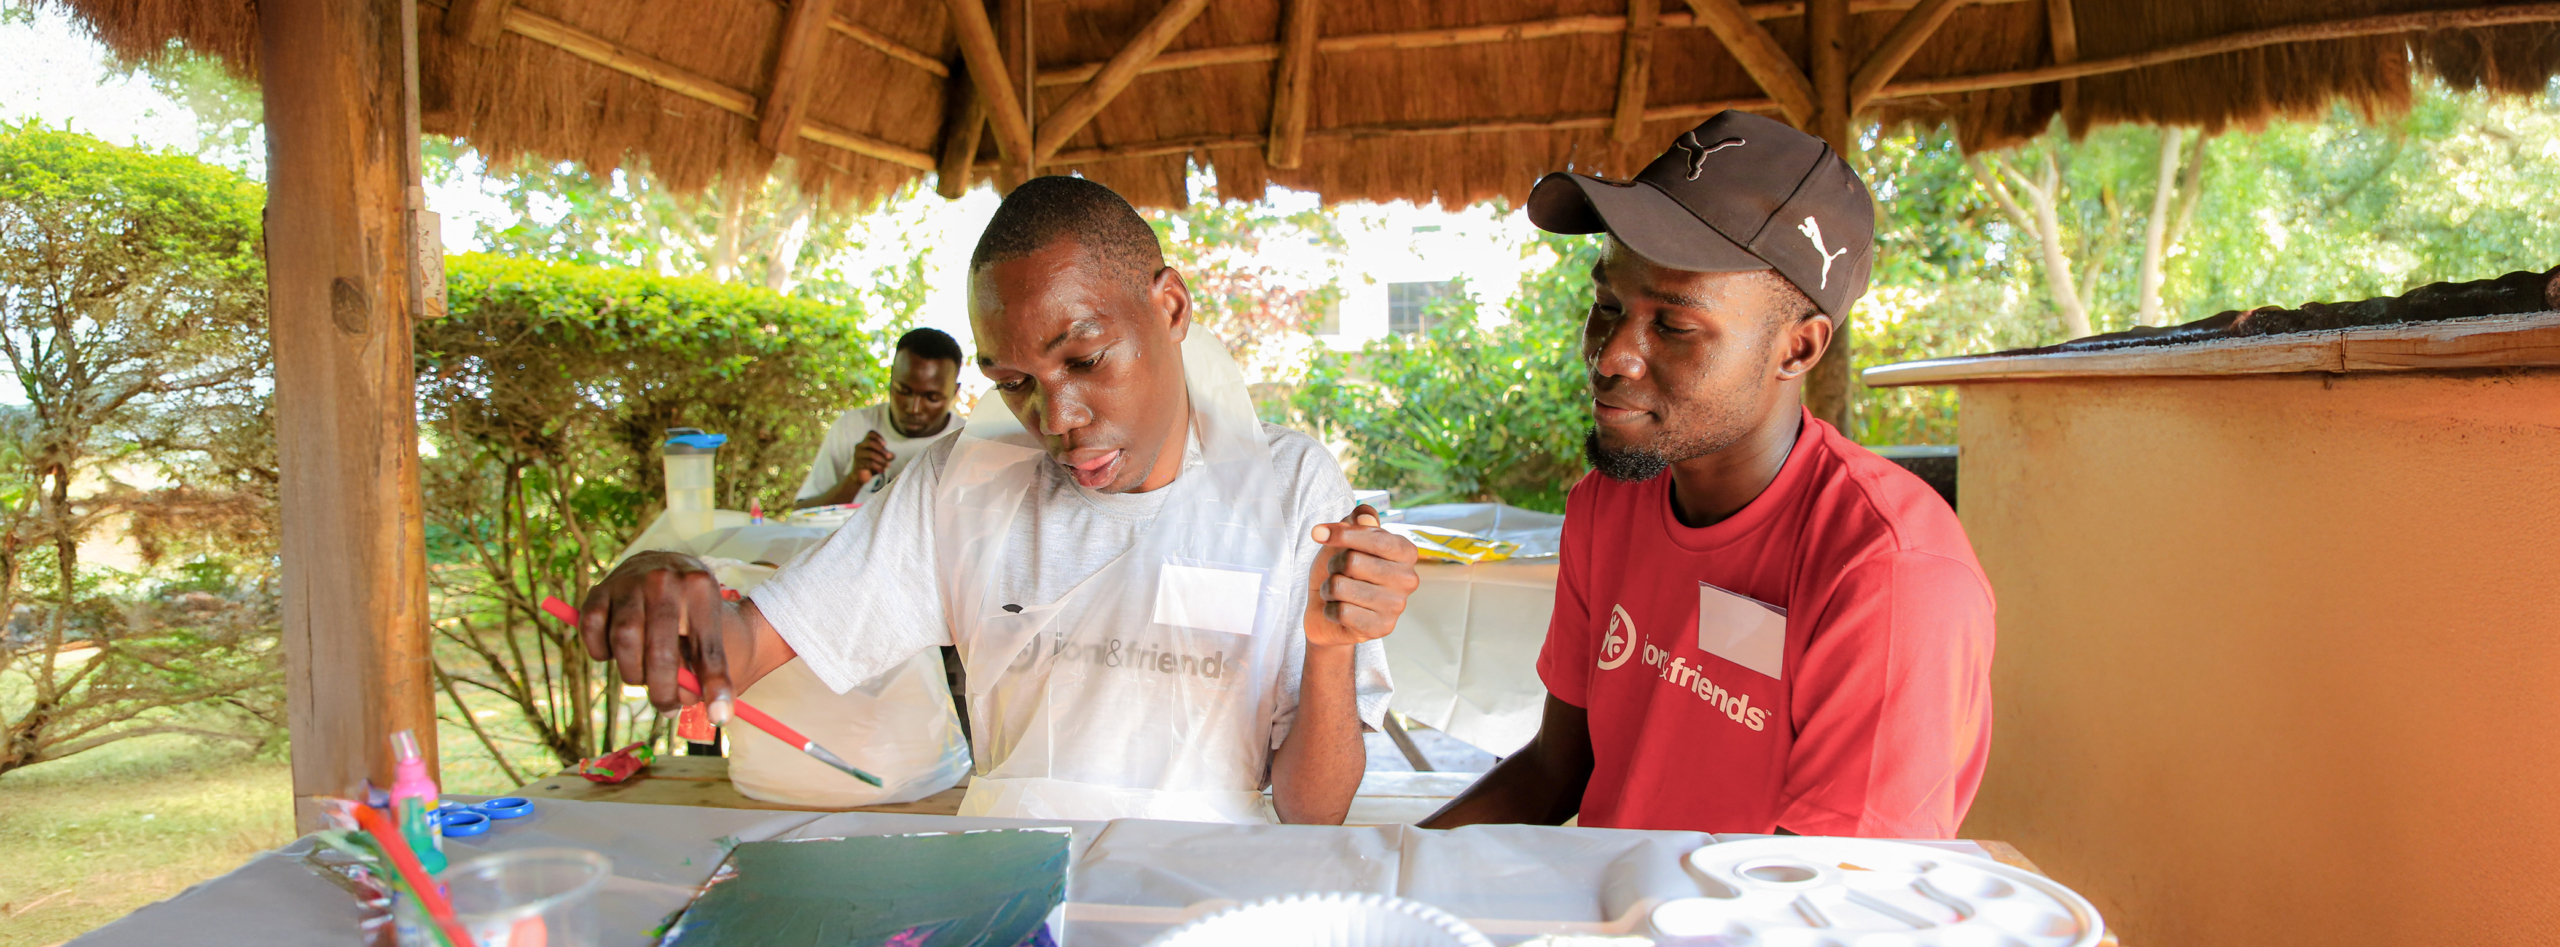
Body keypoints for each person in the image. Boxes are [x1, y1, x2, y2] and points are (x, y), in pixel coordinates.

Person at [579, 175, 1420, 824]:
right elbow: (741, 646)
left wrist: (1332, 649)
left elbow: (1316, 809)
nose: (1058, 418)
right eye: (1015, 381)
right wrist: (665, 583)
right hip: (1013, 895)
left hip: (1205, 895)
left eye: (1086, 360)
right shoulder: (965, 486)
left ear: (1169, 307)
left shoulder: (1284, 489)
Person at [1421, 111, 1996, 838]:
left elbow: (1833, 902)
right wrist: (1383, 875)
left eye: (1675, 327)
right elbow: (1556, 768)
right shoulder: (1610, 503)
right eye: (1607, 306)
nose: (1611, 356)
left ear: (1798, 348)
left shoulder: (1888, 574)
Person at [794, 327, 965, 508]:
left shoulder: (968, 443)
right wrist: (853, 481)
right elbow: (802, 514)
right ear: (892, 377)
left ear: (954, 391)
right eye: (903, 391)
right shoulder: (852, 428)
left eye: (932, 398)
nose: (914, 408)